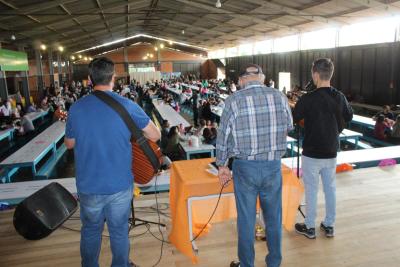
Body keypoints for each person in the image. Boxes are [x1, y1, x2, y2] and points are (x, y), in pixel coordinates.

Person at [64, 57, 161, 267]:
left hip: (88, 185)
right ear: (113, 78)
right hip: (119, 184)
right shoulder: (128, 105)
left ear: (90, 79)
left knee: (90, 230)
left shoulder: (76, 108)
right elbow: (155, 135)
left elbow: (69, 144)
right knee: (118, 231)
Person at [216, 64, 293, 267]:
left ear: (241, 80)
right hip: (272, 166)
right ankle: (274, 262)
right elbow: (289, 126)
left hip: (245, 167)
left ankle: (247, 264)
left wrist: (222, 165)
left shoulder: (233, 100)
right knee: (273, 218)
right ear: (262, 78)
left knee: (246, 220)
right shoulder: (280, 97)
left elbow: (223, 137)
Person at [293, 58, 353, 239]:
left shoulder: (308, 98)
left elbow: (295, 117)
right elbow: (349, 115)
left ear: (315, 74)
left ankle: (310, 226)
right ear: (331, 74)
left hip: (312, 151)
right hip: (331, 150)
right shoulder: (340, 96)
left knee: (311, 189)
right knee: (330, 188)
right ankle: (329, 225)